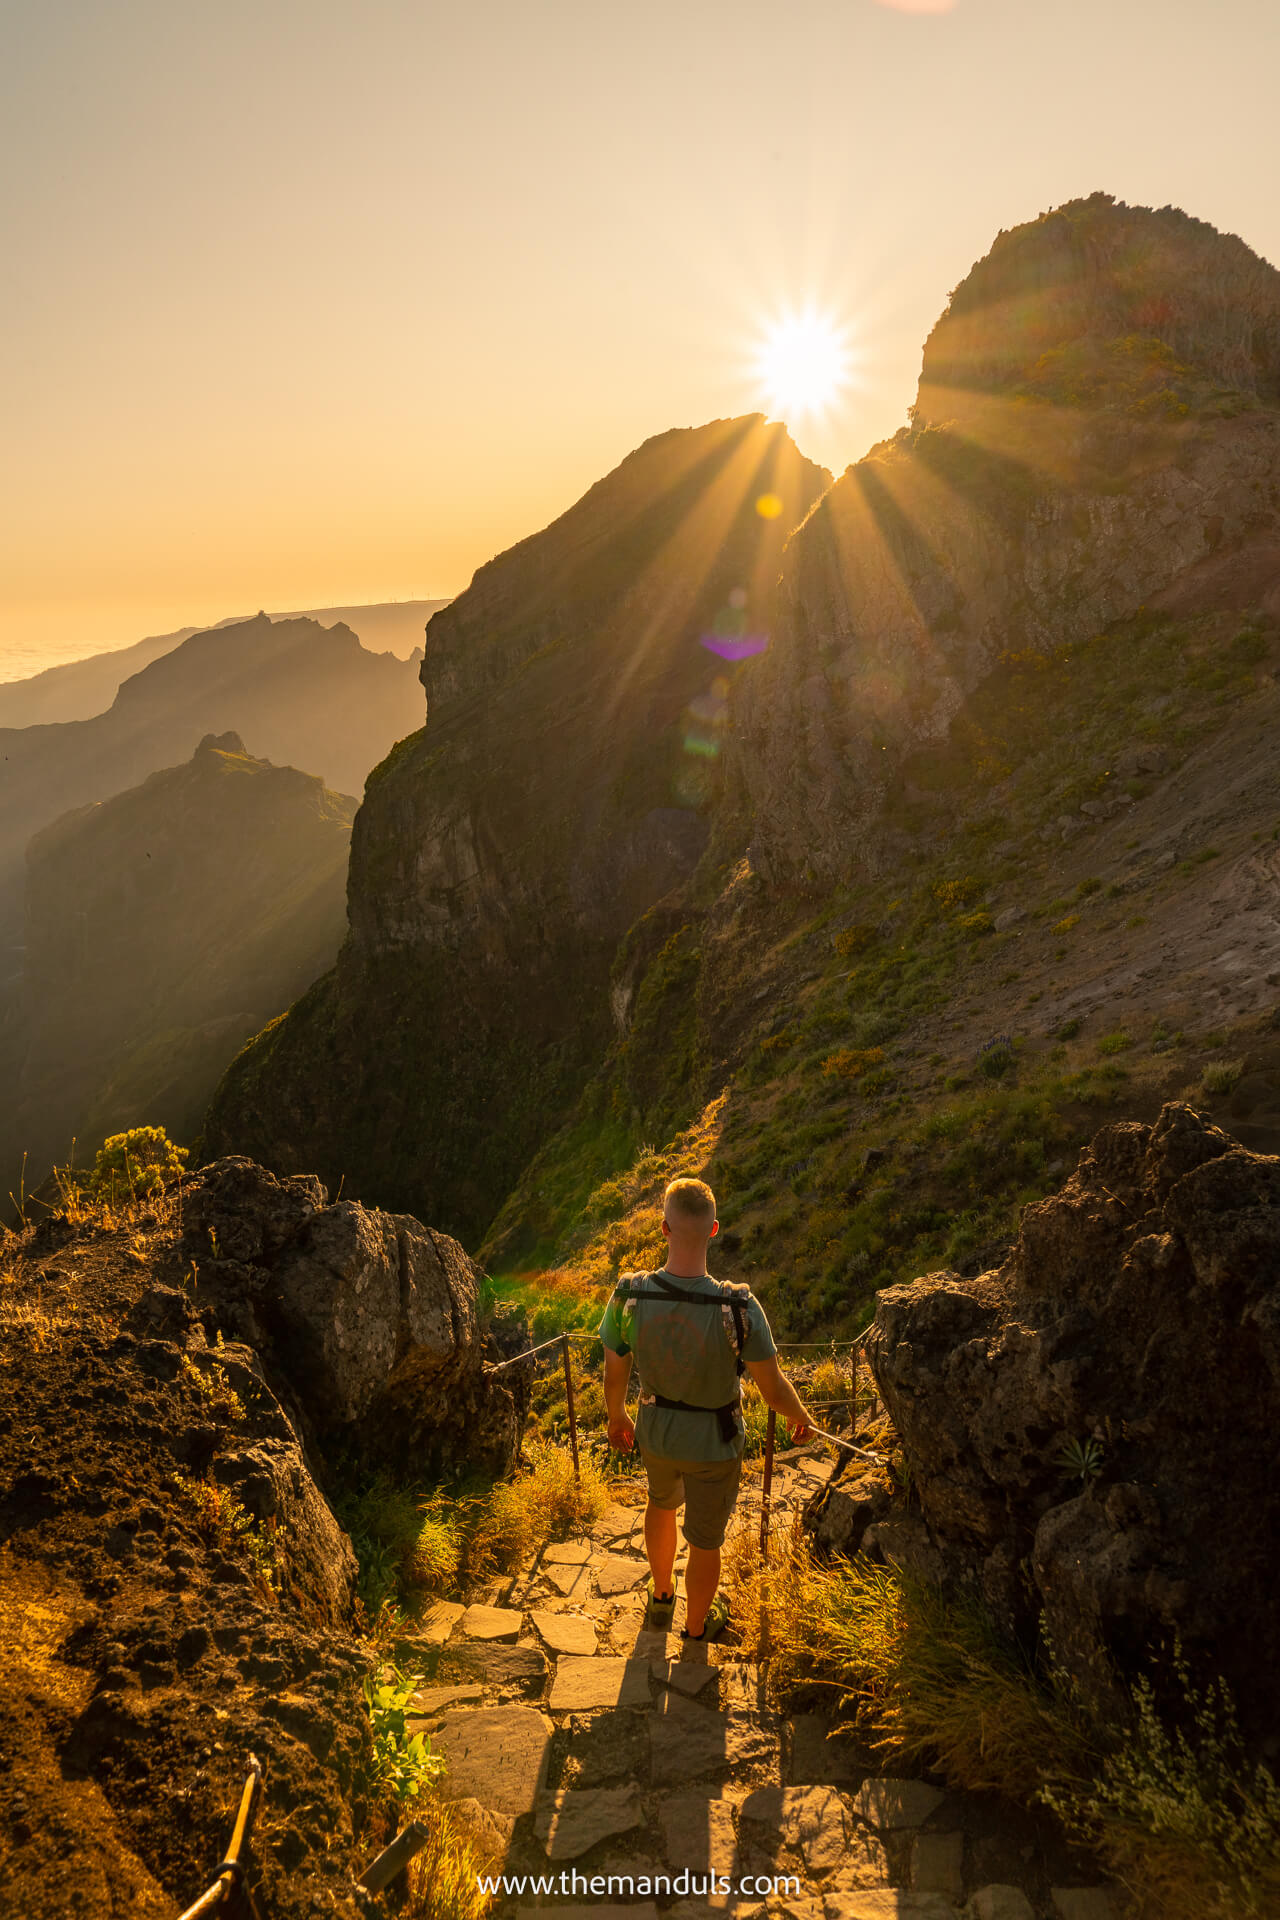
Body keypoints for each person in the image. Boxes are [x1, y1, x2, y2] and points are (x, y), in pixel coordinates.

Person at [599, 1175, 814, 1640]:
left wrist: (617, 1417)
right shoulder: (739, 1305)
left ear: (664, 1229)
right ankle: (696, 1628)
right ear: (714, 1230)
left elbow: (615, 1372)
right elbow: (773, 1388)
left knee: (660, 1505)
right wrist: (802, 1417)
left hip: (655, 1431)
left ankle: (660, 1599)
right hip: (714, 1443)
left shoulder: (630, 1294)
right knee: (705, 1540)